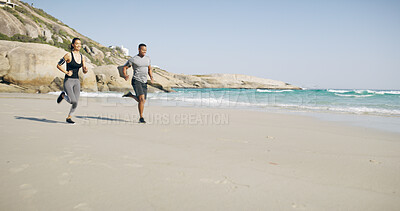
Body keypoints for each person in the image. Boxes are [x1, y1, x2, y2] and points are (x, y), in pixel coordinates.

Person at [56, 38, 88, 124]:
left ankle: (69, 117)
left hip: (76, 81)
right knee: (73, 101)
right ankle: (63, 96)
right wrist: (66, 72)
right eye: (76, 44)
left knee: (76, 102)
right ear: (73, 45)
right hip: (68, 81)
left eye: (80, 44)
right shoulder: (68, 55)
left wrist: (85, 69)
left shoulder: (82, 57)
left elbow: (84, 71)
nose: (78, 45)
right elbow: (58, 65)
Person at [122, 43, 154, 123]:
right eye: (143, 50)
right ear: (139, 49)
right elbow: (125, 67)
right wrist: (125, 75)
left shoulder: (148, 59)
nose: (144, 52)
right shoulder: (133, 59)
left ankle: (130, 95)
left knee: (143, 101)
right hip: (136, 80)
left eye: (145, 50)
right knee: (142, 99)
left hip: (144, 81)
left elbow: (149, 69)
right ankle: (141, 117)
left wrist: (151, 77)